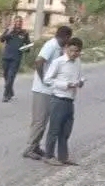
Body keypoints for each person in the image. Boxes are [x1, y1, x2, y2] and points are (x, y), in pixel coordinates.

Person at [23, 24, 73, 159]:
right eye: (69, 38)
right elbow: (39, 62)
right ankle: (29, 148)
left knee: (44, 120)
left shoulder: (59, 48)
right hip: (42, 89)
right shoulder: (51, 45)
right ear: (65, 37)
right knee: (39, 120)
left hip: (50, 89)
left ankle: (36, 146)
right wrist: (43, 79)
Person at [43, 37, 84, 166]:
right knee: (54, 129)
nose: (74, 54)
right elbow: (47, 79)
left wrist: (80, 82)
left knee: (66, 130)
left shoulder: (78, 62)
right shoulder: (58, 62)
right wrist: (66, 84)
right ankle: (49, 155)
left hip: (70, 100)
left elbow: (79, 76)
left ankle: (63, 156)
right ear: (66, 49)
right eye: (71, 50)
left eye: (77, 51)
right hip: (58, 99)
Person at [0, 15, 32, 102]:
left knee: (10, 77)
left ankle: (5, 95)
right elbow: (1, 39)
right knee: (6, 76)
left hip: (16, 58)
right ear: (14, 22)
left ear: (22, 23)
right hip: (6, 56)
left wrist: (24, 49)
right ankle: (10, 92)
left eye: (20, 22)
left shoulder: (24, 33)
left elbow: (28, 46)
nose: (18, 23)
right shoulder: (9, 31)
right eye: (17, 21)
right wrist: (8, 32)